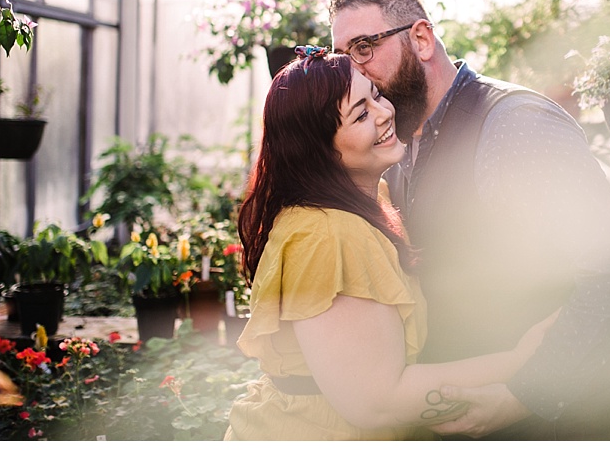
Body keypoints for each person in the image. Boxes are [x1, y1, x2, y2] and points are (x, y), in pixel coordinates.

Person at [329, 0, 610, 440]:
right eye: (342, 57)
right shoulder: (399, 142)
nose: (353, 70)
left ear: (421, 38)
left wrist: (524, 394)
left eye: (364, 47)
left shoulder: (514, 126)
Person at [223, 46, 556, 441]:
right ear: (320, 150)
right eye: (360, 114)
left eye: (375, 95)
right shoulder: (326, 235)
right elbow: (376, 401)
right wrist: (520, 361)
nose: (384, 113)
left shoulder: (366, 201)